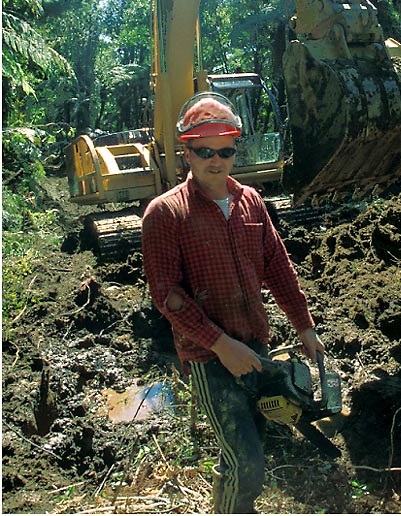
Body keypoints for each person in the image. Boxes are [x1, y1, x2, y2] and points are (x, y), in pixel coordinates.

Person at [142, 92, 324, 514]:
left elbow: (278, 267)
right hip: (209, 359)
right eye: (204, 151)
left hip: (255, 346)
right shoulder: (165, 213)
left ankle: (232, 506)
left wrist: (304, 325)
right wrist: (222, 346)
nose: (216, 160)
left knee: (246, 452)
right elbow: (167, 297)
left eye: (225, 150)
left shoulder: (250, 202)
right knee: (248, 463)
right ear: (186, 150)